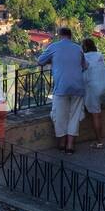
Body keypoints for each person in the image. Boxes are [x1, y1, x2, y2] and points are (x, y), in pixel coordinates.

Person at [37, 26, 86, 154]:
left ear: (60, 35)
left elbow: (40, 61)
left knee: (59, 115)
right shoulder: (78, 48)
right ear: (70, 36)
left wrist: (52, 61)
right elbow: (85, 66)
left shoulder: (53, 47)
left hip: (61, 87)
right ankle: (70, 146)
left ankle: (62, 143)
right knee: (74, 116)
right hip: (78, 86)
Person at [82, 38, 105, 149]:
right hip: (104, 86)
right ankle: (99, 140)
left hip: (93, 88)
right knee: (97, 113)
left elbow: (84, 72)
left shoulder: (84, 57)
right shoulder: (100, 55)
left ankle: (99, 142)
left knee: (96, 116)